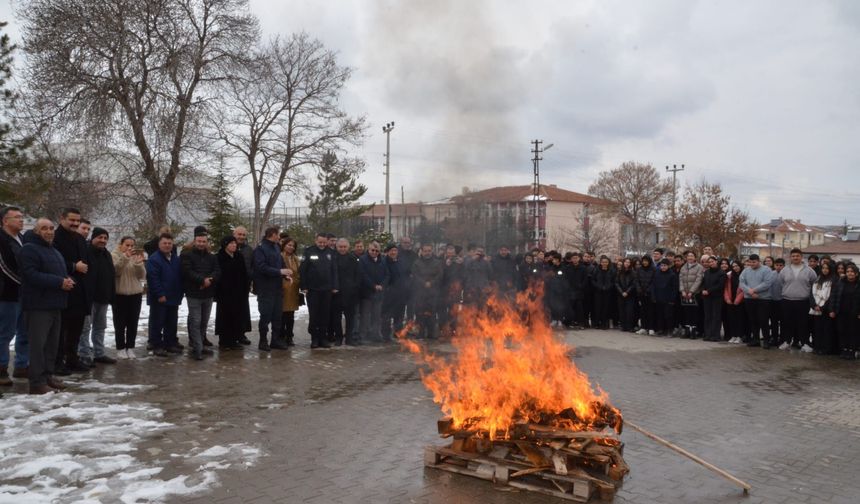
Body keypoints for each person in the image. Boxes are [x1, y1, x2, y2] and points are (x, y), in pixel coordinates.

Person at [18, 218, 74, 394]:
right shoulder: (29, 250)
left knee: (52, 345)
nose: (49, 231)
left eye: (51, 228)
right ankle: (36, 382)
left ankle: (48, 376)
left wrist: (68, 280)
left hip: (55, 304)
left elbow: (61, 272)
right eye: (44, 228)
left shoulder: (54, 251)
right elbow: (30, 274)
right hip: (38, 305)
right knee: (38, 346)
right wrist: (59, 282)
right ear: (36, 231)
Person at [52, 208, 92, 374]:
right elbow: (53, 261)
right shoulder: (55, 237)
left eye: (77, 221)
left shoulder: (80, 239)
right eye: (72, 220)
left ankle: (72, 359)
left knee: (76, 328)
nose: (75, 223)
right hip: (63, 289)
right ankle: (57, 362)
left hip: (80, 290)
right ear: (62, 219)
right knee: (61, 330)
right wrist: (74, 266)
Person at [181, 227, 221, 360]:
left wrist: (209, 279)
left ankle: (200, 344)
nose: (201, 244)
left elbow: (217, 271)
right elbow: (187, 271)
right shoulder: (187, 255)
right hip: (194, 293)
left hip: (208, 294)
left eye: (204, 241)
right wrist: (202, 280)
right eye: (199, 241)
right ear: (195, 241)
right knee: (195, 321)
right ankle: (197, 348)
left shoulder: (212, 257)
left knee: (204, 321)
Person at [79, 227, 117, 365]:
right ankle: (83, 354)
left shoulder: (106, 254)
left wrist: (111, 295)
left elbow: (111, 275)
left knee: (100, 327)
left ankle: (99, 353)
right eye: (100, 237)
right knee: (85, 328)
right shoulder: (86, 252)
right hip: (89, 298)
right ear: (93, 238)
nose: (103, 240)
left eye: (105, 238)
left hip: (103, 297)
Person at [0, 206, 28, 385]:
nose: (21, 220)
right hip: (6, 294)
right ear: (5, 220)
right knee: (5, 333)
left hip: (24, 295)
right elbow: (3, 266)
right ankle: (1, 368)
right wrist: (25, 282)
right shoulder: (1, 239)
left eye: (22, 216)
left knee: (24, 332)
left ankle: (22, 366)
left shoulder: (22, 238)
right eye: (17, 217)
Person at [253, 226, 292, 351]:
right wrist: (280, 271)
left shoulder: (276, 247)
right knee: (265, 316)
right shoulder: (260, 249)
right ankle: (263, 341)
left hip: (277, 289)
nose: (280, 237)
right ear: (272, 234)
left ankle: (275, 340)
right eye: (278, 234)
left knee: (277, 317)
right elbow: (261, 267)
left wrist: (286, 275)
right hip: (265, 289)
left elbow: (281, 263)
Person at [146, 233, 184, 357]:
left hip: (174, 296)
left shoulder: (175, 259)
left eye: (169, 243)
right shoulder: (154, 259)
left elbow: (179, 277)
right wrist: (160, 294)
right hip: (160, 298)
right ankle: (156, 345)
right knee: (158, 322)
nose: (167, 245)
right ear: (159, 244)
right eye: (165, 243)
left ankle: (170, 343)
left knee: (171, 322)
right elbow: (153, 279)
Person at [300, 233, 339, 349]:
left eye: (324, 242)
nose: (322, 244)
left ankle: (323, 338)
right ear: (315, 241)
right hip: (313, 290)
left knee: (325, 315)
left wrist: (335, 286)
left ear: (327, 242)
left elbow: (334, 271)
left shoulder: (331, 253)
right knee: (314, 315)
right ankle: (314, 339)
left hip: (327, 290)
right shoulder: (309, 251)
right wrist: (304, 286)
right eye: (319, 242)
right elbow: (303, 270)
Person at [111, 236, 145, 359]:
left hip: (135, 293)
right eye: (127, 245)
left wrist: (138, 265)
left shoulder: (135, 256)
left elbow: (142, 276)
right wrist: (125, 257)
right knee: (120, 323)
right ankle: (120, 348)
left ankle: (130, 347)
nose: (130, 248)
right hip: (120, 294)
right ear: (121, 245)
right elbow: (116, 271)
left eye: (132, 245)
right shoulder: (114, 255)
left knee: (133, 322)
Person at [214, 235, 250, 350]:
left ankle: (234, 340)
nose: (234, 245)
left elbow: (244, 273)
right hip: (225, 293)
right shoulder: (219, 257)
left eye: (235, 243)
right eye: (231, 243)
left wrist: (246, 288)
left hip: (239, 293)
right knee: (225, 317)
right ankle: (224, 341)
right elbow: (218, 275)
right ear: (225, 245)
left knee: (237, 316)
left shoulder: (239, 256)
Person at [779, 248, 818, 352]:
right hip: (787, 300)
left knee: (803, 323)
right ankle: (787, 342)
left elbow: (814, 283)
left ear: (801, 257)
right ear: (790, 257)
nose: (795, 258)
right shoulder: (785, 270)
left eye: (797, 256)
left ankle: (804, 343)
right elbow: (781, 283)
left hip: (803, 301)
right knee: (787, 322)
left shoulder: (809, 270)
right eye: (793, 256)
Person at [739, 254, 775, 348]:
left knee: (763, 320)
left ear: (759, 261)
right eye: (750, 262)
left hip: (763, 299)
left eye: (754, 262)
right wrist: (750, 292)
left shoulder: (766, 270)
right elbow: (742, 283)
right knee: (753, 320)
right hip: (749, 299)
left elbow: (767, 283)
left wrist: (754, 290)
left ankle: (766, 340)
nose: (752, 264)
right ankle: (755, 339)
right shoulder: (746, 270)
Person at [331, 238, 361, 346]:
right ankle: (338, 337)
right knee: (336, 317)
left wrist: (355, 288)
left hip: (350, 293)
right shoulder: (333, 258)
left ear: (348, 247)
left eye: (344, 247)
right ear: (337, 247)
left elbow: (358, 275)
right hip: (336, 293)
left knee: (350, 317)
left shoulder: (353, 259)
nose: (342, 249)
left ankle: (349, 338)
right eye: (340, 247)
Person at [411, 243, 443, 339]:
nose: (427, 253)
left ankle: (431, 333)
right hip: (420, 292)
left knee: (432, 313)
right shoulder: (416, 263)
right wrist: (424, 283)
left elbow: (440, 275)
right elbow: (415, 275)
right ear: (422, 251)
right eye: (425, 251)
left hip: (433, 293)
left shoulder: (437, 263)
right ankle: (420, 333)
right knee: (420, 313)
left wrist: (431, 283)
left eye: (429, 251)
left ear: (432, 251)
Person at [359, 242, 388, 343]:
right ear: (368, 249)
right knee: (365, 315)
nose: (374, 252)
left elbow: (387, 274)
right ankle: (363, 335)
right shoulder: (363, 260)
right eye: (372, 250)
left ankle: (375, 334)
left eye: (377, 251)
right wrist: (373, 285)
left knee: (377, 315)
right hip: (367, 292)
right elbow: (363, 275)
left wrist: (382, 285)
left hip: (379, 293)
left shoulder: (383, 261)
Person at [830, 263, 860, 360]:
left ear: (856, 273)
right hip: (841, 312)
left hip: (855, 313)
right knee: (842, 331)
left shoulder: (858, 284)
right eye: (848, 271)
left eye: (852, 272)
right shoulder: (841, 282)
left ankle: (852, 350)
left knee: (853, 332)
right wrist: (832, 310)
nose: (850, 273)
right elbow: (834, 296)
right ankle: (844, 349)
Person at [810, 261, 837, 355]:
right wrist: (814, 305)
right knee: (817, 329)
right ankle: (817, 347)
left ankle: (825, 349)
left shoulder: (833, 280)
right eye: (823, 268)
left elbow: (832, 296)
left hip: (826, 310)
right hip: (816, 309)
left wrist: (822, 307)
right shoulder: (818, 279)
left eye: (827, 268)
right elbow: (811, 294)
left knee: (826, 330)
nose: (825, 270)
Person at [232, 226, 253, 345]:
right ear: (234, 234)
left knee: (243, 310)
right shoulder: (229, 247)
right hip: (231, 285)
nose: (241, 237)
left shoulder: (249, 249)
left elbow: (252, 265)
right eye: (239, 234)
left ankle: (241, 334)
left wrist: (251, 278)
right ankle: (231, 334)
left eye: (243, 235)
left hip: (244, 284)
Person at [382, 244, 407, 340]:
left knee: (399, 315)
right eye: (391, 250)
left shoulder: (400, 262)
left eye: (395, 251)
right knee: (387, 315)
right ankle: (385, 335)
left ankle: (398, 333)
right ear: (388, 252)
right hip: (389, 294)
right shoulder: (384, 262)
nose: (393, 252)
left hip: (400, 293)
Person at [280, 236, 301, 347]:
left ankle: (289, 336)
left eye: (293, 246)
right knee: (281, 315)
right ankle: (281, 335)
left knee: (290, 315)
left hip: (293, 290)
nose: (291, 247)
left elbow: (299, 273)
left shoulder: (296, 258)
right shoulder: (279, 256)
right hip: (282, 289)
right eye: (289, 245)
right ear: (284, 245)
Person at [678, 251, 704, 339]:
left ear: (695, 258)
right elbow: (680, 279)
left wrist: (691, 291)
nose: (690, 257)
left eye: (692, 256)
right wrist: (682, 290)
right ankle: (687, 331)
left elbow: (699, 280)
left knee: (694, 313)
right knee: (686, 312)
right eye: (688, 256)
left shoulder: (699, 267)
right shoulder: (683, 267)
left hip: (694, 294)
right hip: (685, 294)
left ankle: (693, 331)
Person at [701, 256, 726, 342]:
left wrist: (709, 291)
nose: (711, 263)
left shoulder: (721, 273)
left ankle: (716, 335)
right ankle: (707, 334)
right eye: (709, 262)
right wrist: (704, 290)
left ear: (716, 262)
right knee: (707, 316)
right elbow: (703, 282)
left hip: (717, 297)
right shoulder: (707, 272)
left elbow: (720, 285)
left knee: (716, 316)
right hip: (707, 297)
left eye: (712, 261)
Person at [652, 258, 678, 336]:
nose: (663, 267)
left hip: (668, 299)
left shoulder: (672, 275)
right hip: (658, 298)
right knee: (659, 315)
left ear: (668, 266)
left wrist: (672, 299)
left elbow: (674, 288)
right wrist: (653, 297)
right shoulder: (657, 274)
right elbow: (653, 286)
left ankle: (669, 330)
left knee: (668, 315)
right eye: (662, 265)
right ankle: (660, 329)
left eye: (665, 265)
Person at [724, 261, 745, 344]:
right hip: (730, 300)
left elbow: (744, 288)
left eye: (737, 266)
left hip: (740, 301)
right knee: (731, 319)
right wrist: (727, 299)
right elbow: (725, 288)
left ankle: (739, 336)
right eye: (733, 266)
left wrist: (738, 299)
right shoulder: (729, 276)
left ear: (740, 266)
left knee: (739, 319)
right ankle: (733, 335)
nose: (735, 268)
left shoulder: (744, 275)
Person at [590, 255, 614, 330]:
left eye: (606, 262)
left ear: (608, 263)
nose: (604, 263)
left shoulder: (611, 270)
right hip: (598, 292)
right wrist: (598, 286)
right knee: (598, 307)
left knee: (606, 308)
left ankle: (604, 323)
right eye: (603, 262)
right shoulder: (596, 270)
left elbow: (613, 281)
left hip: (607, 292)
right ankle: (597, 323)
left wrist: (608, 287)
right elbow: (593, 280)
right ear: (600, 262)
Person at [635, 256, 656, 335]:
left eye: (646, 261)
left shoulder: (653, 269)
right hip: (641, 293)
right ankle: (643, 327)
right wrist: (639, 289)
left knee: (651, 311)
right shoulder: (639, 269)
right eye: (643, 261)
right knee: (643, 311)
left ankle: (651, 328)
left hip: (650, 294)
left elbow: (654, 281)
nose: (645, 262)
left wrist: (648, 289)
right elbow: (636, 280)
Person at [766, 257, 785, 348]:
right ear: (774, 265)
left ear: (784, 266)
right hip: (772, 301)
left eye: (781, 265)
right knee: (773, 321)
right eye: (777, 265)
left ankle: (782, 339)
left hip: (782, 301)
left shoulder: (786, 274)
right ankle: (774, 337)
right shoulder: (771, 274)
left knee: (783, 321)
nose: (778, 267)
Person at [615, 258, 636, 332]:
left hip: (630, 295)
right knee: (621, 310)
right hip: (621, 294)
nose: (627, 263)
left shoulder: (633, 273)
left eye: (629, 262)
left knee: (629, 311)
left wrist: (627, 292)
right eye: (626, 262)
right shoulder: (619, 272)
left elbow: (633, 284)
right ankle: (623, 326)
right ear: (623, 263)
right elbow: (616, 283)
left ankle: (629, 326)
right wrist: (622, 292)